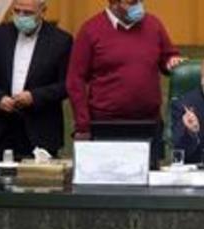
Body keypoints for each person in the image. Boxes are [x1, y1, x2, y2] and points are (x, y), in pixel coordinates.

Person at [66, 0, 183, 146]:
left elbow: (168, 56)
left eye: (140, 1)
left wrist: (171, 62)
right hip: (106, 123)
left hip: (149, 122)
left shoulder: (153, 24)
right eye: (132, 2)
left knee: (151, 161)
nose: (139, 6)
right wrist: (83, 124)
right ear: (114, 3)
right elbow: (75, 80)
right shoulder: (90, 30)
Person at [0, 0, 72, 162]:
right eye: (17, 11)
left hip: (41, 131)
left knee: (37, 178)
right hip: (2, 129)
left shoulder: (61, 41)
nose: (21, 17)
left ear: (43, 11)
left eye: (27, 13)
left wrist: (35, 96)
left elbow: (68, 84)